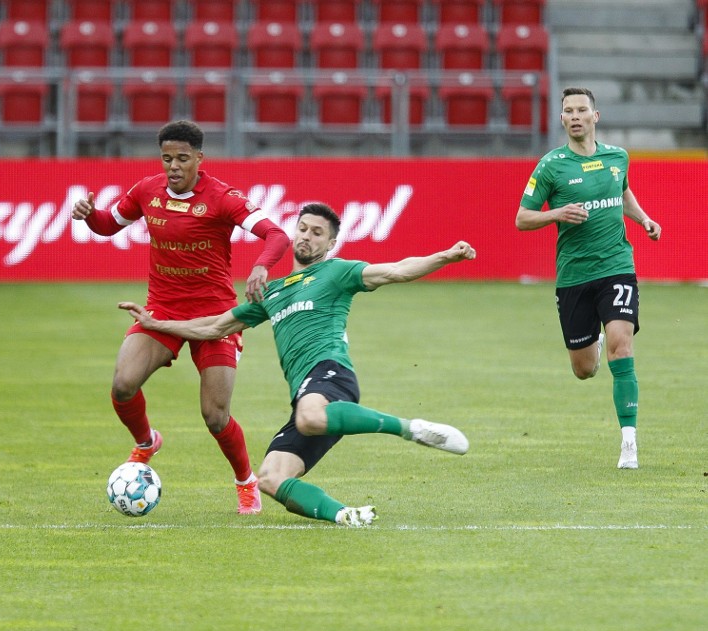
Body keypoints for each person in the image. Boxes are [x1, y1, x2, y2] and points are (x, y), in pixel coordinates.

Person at [118, 203, 476, 527]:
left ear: (330, 244)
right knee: (271, 478)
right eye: (303, 228)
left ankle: (410, 428)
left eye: (317, 233)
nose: (307, 236)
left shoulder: (337, 273)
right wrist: (157, 324)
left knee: (310, 417)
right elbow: (214, 326)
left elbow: (396, 270)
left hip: (330, 375)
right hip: (306, 394)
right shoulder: (272, 293)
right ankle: (344, 515)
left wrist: (445, 256)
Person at [71, 120, 290, 514]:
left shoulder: (223, 197)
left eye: (182, 158)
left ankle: (245, 481)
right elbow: (107, 225)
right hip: (162, 311)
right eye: (167, 157)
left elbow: (277, 235)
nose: (173, 166)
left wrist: (260, 266)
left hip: (215, 319)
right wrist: (89, 214)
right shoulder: (147, 191)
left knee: (215, 415)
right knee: (123, 385)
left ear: (199, 159)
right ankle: (146, 442)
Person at [515, 87, 662, 470]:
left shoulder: (618, 157)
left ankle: (628, 442)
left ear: (596, 116)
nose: (575, 115)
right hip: (574, 276)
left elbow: (623, 193)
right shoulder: (551, 166)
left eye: (582, 109)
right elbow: (522, 218)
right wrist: (557, 213)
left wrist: (643, 219)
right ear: (561, 119)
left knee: (622, 344)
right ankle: (591, 344)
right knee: (583, 370)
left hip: (616, 264)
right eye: (568, 111)